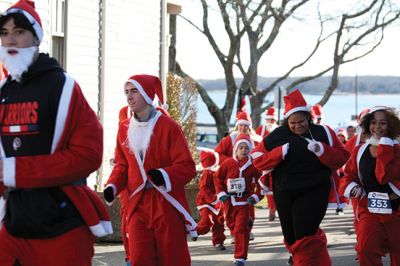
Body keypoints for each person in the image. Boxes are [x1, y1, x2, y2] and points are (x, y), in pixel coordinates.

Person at [0, 1, 112, 265]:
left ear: (36, 38)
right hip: (14, 225)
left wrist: (15, 171)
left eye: (19, 31)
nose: (11, 39)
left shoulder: (64, 87)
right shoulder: (3, 91)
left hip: (62, 226)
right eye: (4, 33)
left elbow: (88, 155)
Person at [103, 74, 197, 266]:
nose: (129, 97)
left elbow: (187, 166)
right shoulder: (124, 128)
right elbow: (122, 164)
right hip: (136, 202)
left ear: (146, 93)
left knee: (172, 256)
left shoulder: (169, 127)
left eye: (134, 91)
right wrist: (112, 185)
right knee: (139, 257)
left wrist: (163, 175)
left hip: (165, 201)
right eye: (126, 92)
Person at [251, 89, 349, 265]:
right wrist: (278, 153)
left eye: (301, 121)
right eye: (292, 123)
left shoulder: (323, 132)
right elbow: (257, 160)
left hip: (315, 188)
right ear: (286, 121)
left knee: (305, 235)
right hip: (284, 191)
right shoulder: (278, 135)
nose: (297, 126)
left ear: (308, 117)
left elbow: (342, 157)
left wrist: (322, 150)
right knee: (292, 238)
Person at [339, 106, 400, 266]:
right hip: (370, 209)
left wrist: (385, 147)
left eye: (383, 123)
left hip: (397, 209)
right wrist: (352, 187)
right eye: (373, 123)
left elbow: (383, 176)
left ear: (391, 125)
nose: (377, 127)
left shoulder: (397, 149)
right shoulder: (360, 150)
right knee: (365, 249)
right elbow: (348, 175)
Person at [214, 134, 262, 266]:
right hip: (229, 200)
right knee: (231, 225)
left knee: (241, 229)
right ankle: (247, 223)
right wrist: (221, 192)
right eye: (241, 147)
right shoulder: (228, 163)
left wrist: (256, 196)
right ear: (236, 149)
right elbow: (217, 178)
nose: (244, 150)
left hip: (244, 201)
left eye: (246, 148)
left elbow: (262, 182)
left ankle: (240, 258)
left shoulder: (253, 166)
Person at [196, 148, 226, 250]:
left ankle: (218, 241)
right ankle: (196, 231)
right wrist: (212, 198)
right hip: (205, 201)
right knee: (207, 221)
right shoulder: (207, 174)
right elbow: (203, 188)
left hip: (217, 201)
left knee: (219, 221)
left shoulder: (218, 171)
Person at [255, 106, 278, 221]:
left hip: (277, 163)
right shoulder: (260, 130)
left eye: (272, 120)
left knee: (276, 186)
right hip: (264, 162)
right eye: (268, 119)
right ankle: (271, 210)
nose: (270, 122)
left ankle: (275, 208)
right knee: (266, 187)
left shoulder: (279, 130)